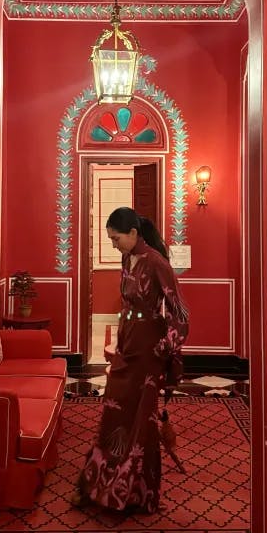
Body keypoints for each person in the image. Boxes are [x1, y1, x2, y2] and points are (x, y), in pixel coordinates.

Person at [73, 207, 189, 513]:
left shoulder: (157, 263)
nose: (113, 244)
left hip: (150, 352)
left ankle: (137, 494)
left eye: (116, 237)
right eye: (110, 238)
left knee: (141, 422)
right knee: (115, 414)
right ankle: (102, 482)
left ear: (134, 233)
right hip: (127, 348)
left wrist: (165, 348)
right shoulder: (127, 259)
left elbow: (180, 315)